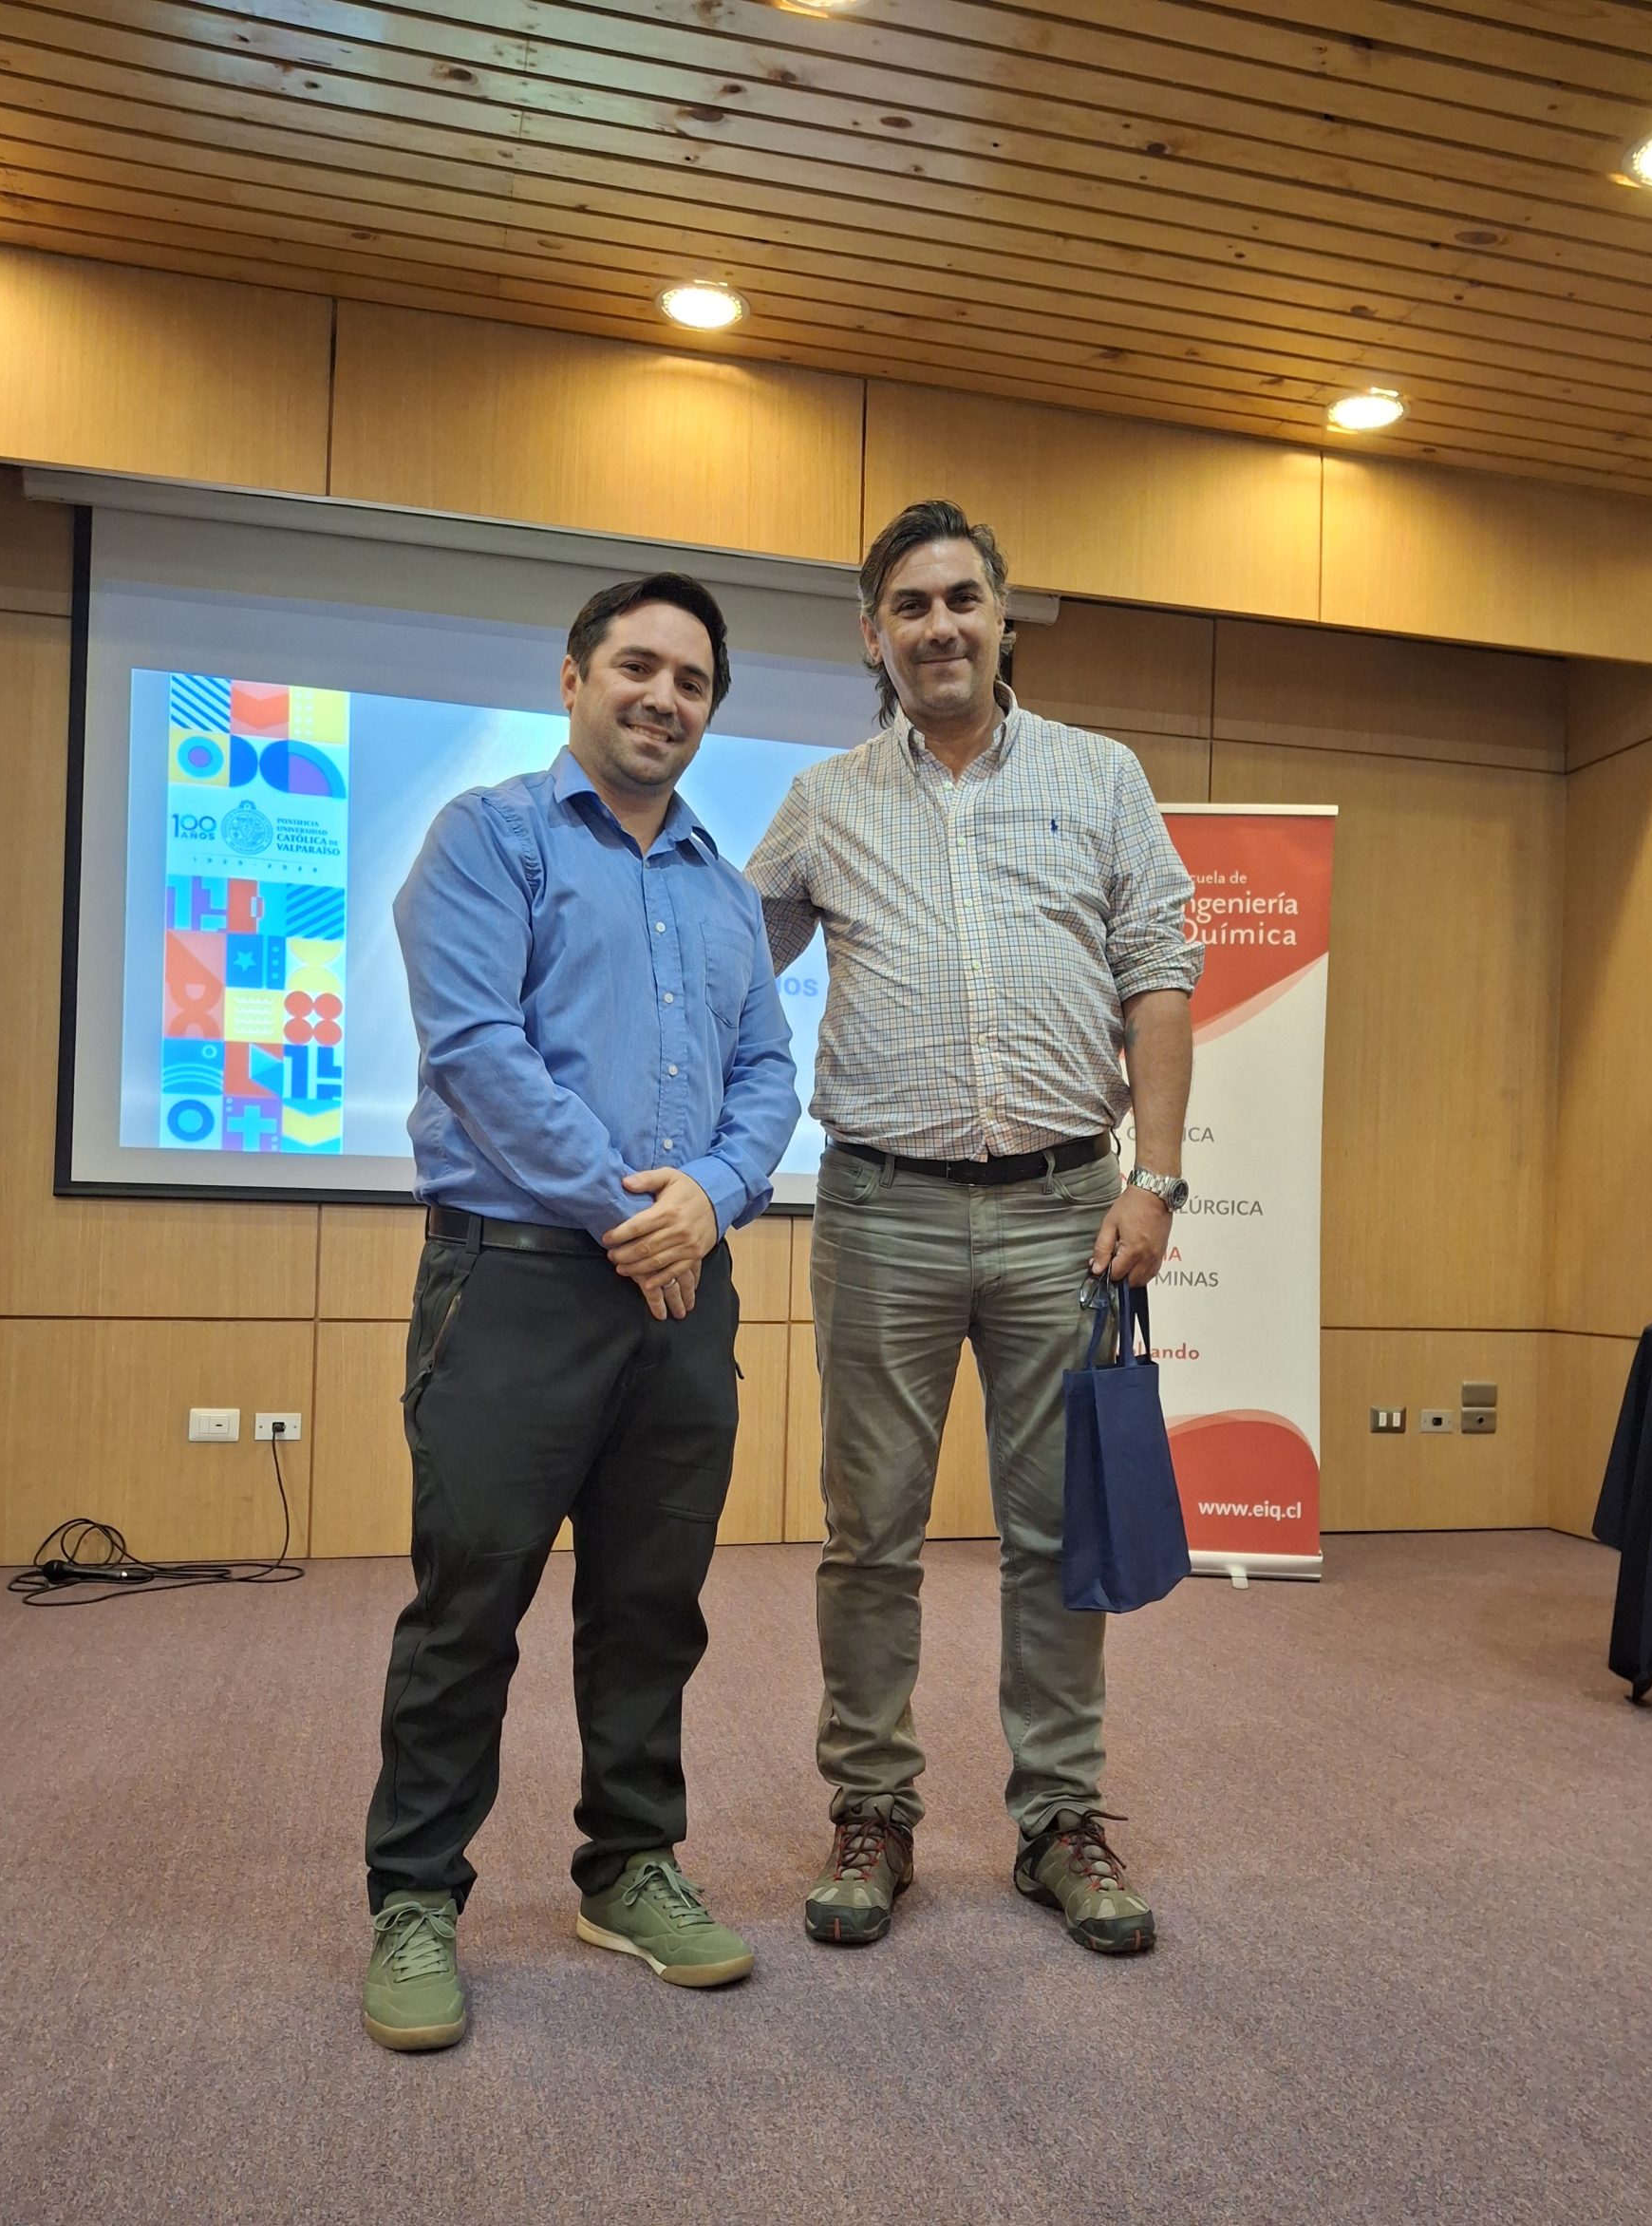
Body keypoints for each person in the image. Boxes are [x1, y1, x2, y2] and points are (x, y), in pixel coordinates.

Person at [747, 500, 1199, 1959]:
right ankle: (871, 1812)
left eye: (961, 599)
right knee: (869, 1534)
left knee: (1056, 1531)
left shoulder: (1099, 775)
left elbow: (1160, 971)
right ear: (872, 635)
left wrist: (1158, 1177)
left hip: (1069, 1212)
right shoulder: (823, 799)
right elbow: (724, 960)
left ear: (1003, 616)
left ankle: (1059, 1818)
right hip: (880, 1211)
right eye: (910, 605)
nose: (938, 625)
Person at [362, 573, 798, 2051]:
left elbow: (768, 1075)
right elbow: (478, 1049)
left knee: (651, 1602)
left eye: (693, 681)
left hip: (685, 1290)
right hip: (516, 1281)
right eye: (637, 666)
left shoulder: (724, 890)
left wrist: (712, 1198)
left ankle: (629, 1869)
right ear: (573, 679)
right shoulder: (488, 838)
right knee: (469, 1601)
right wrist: (632, 1213)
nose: (664, 696)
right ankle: (414, 1899)